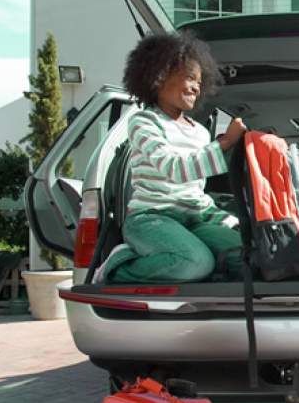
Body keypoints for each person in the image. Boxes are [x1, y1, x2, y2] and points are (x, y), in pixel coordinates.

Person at [95, 31, 247, 284]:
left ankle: (192, 262)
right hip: (152, 219)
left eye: (199, 82)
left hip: (194, 220)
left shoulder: (200, 133)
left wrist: (234, 223)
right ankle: (119, 266)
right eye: (189, 77)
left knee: (250, 255)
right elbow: (173, 169)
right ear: (159, 76)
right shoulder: (144, 122)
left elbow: (194, 194)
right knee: (195, 263)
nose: (196, 87)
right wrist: (225, 143)